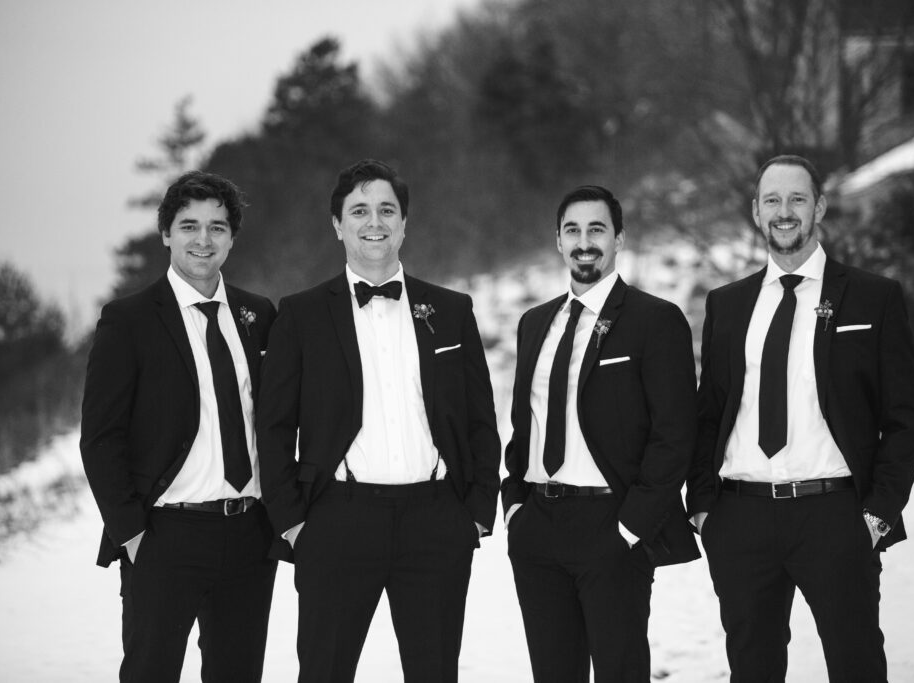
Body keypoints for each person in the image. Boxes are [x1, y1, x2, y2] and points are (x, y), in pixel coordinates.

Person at [256, 159, 500, 683]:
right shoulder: (299, 315)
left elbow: (481, 416)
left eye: (387, 210)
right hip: (336, 523)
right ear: (337, 225)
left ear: (405, 224)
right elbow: (273, 427)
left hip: (437, 521)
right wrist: (294, 522)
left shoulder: (451, 310)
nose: (375, 221)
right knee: (324, 672)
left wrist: (476, 511)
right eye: (360, 210)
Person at [687, 154, 914, 682]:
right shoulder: (726, 305)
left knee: (856, 664)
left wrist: (877, 514)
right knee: (753, 670)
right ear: (755, 212)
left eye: (797, 198)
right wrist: (704, 505)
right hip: (741, 517)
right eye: (772, 199)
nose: (784, 210)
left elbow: (904, 418)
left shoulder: (873, 298)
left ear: (819, 206)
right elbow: (710, 413)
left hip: (836, 516)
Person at [80, 171, 278, 682]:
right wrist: (133, 534)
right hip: (165, 535)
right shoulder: (129, 320)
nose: (203, 240)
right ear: (165, 232)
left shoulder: (260, 315)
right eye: (189, 226)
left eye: (217, 227)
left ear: (232, 236)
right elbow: (101, 438)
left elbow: (281, 419)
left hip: (250, 534)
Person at [502, 185, 700, 682]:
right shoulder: (533, 324)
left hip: (611, 526)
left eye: (597, 229)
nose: (584, 241)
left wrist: (631, 526)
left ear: (619, 240)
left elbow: (675, 433)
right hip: (538, 528)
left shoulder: (655, 320)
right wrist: (515, 505)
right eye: (573, 230)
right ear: (558, 241)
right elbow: (526, 422)